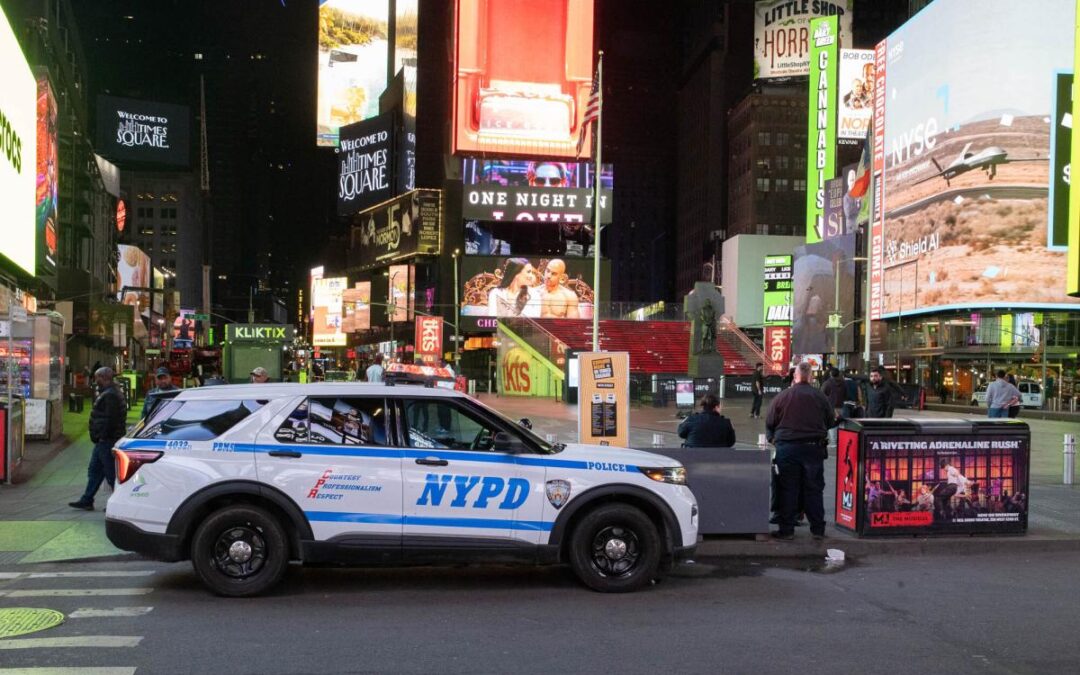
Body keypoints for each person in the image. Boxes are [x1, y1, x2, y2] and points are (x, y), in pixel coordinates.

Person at [765, 361, 835, 540]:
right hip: (813, 448)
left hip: (787, 449)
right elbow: (830, 421)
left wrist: (773, 439)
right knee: (814, 489)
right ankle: (817, 530)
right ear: (810, 377)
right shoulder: (820, 397)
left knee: (788, 489)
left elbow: (770, 422)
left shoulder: (783, 396)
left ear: (795, 376)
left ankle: (786, 530)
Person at [69, 367, 127, 510]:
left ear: (103, 377)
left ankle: (119, 502)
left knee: (110, 472)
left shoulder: (110, 395)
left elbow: (110, 419)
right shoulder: (110, 392)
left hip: (107, 440)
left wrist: (102, 436)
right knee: (95, 469)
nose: (96, 381)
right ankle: (87, 499)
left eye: (97, 378)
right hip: (104, 439)